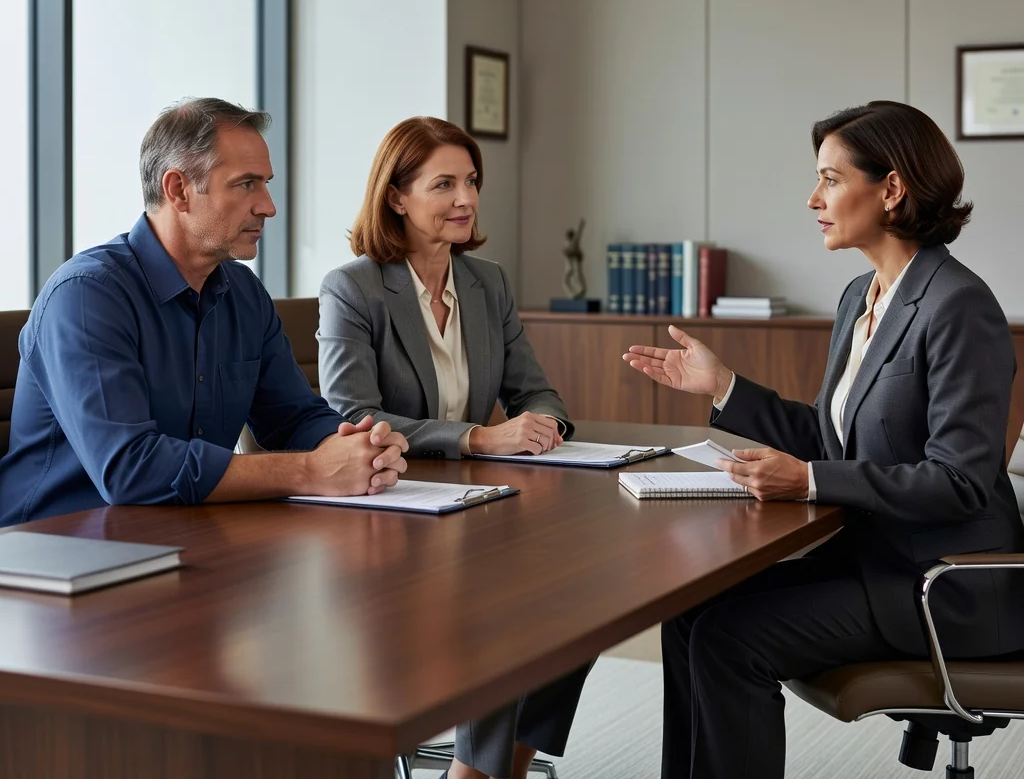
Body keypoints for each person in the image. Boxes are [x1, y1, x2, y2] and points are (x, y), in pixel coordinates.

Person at [623, 101, 1024, 779]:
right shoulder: (859, 298)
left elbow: (959, 481)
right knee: (689, 613)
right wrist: (723, 386)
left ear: (891, 189)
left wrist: (808, 480)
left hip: (942, 585)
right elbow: (830, 437)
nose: (814, 199)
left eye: (831, 179)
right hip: (876, 562)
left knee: (730, 639)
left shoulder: (958, 306)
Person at [318, 115, 589, 779]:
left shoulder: (485, 283)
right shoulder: (354, 289)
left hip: (474, 505)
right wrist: (477, 436)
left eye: (471, 181)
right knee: (503, 605)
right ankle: (473, 773)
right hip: (387, 513)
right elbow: (351, 415)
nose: (466, 198)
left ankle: (504, 766)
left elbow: (536, 390)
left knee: (584, 600)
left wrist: (544, 424)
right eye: (443, 184)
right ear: (396, 196)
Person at [0, 98, 408, 526]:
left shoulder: (244, 293)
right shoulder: (86, 296)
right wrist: (311, 470)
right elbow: (130, 468)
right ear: (178, 190)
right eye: (246, 184)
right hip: (58, 544)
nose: (268, 207)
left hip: (185, 533)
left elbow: (292, 417)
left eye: (266, 183)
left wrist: (358, 446)